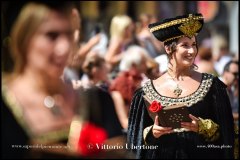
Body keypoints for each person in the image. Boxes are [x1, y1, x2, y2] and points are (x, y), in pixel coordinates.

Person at [127, 13, 235, 159]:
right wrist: (153, 132)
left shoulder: (212, 86)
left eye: (194, 45)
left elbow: (228, 134)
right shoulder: (145, 92)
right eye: (185, 45)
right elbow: (135, 143)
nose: (192, 51)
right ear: (168, 48)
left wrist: (202, 127)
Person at [1, 2, 79, 158]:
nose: (64, 48)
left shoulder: (93, 101)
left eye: (69, 34)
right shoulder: (6, 105)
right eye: (51, 35)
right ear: (24, 38)